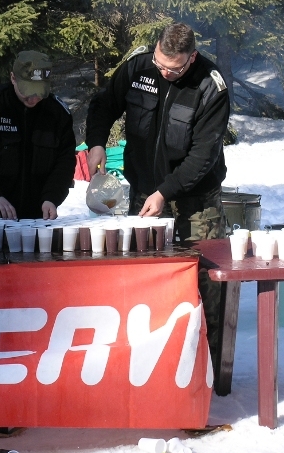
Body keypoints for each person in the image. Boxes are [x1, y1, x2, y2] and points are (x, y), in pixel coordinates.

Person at [85, 22, 230, 361]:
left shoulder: (212, 85)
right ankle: (150, 359)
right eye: (160, 63)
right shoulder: (138, 66)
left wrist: (166, 192)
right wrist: (96, 143)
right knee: (145, 275)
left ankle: (211, 363)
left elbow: (203, 156)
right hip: (143, 193)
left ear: (191, 58)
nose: (164, 71)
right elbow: (103, 105)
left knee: (205, 277)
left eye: (173, 68)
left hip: (196, 201)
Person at [0, 51, 76, 220]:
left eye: (39, 92)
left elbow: (65, 162)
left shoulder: (57, 114)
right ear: (13, 78)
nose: (33, 99)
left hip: (36, 216)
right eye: (28, 91)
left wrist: (52, 197)